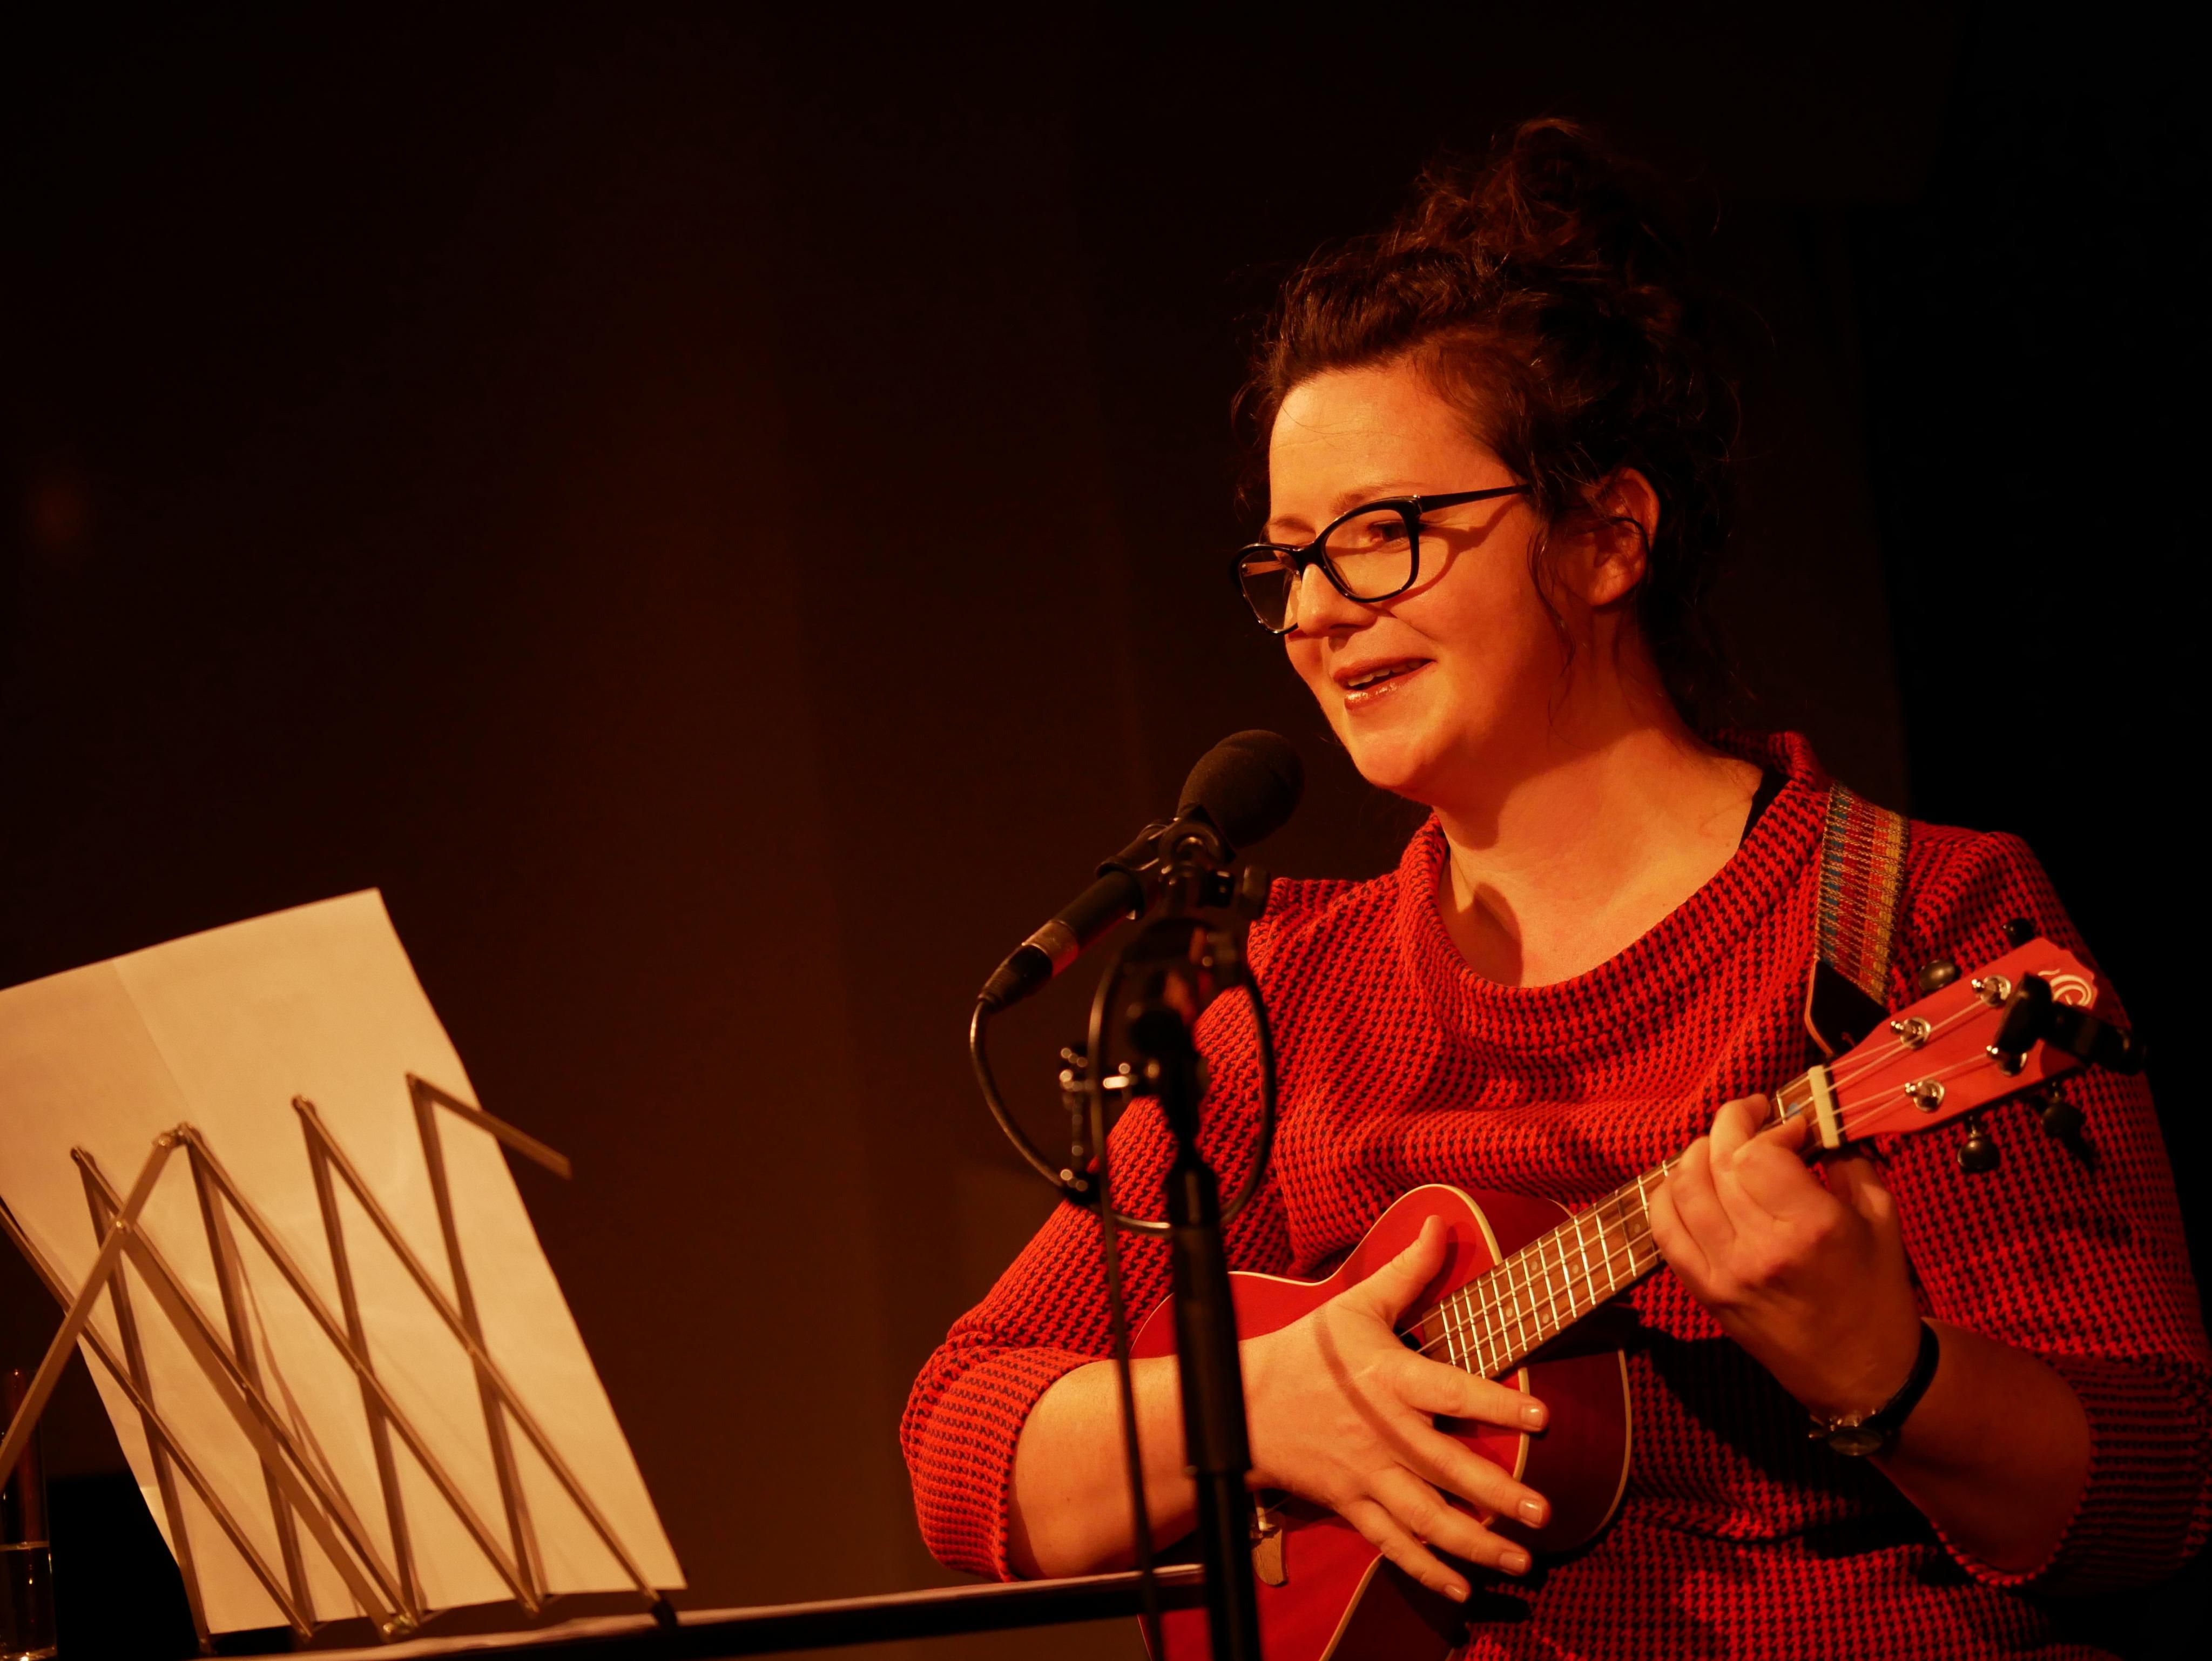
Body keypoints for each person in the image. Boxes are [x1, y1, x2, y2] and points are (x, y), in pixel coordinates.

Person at [901, 120, 2211, 1656]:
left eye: (1382, 537)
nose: (1317, 614)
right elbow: (961, 1434)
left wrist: (1888, 1370)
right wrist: (1258, 1404)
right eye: (1289, 562)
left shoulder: (1907, 917)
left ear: (1605, 538)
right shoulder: (1290, 997)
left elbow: (2150, 1493)